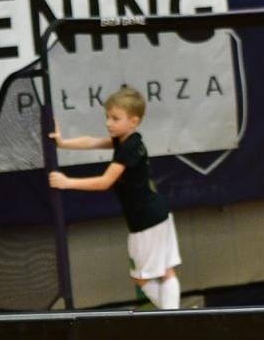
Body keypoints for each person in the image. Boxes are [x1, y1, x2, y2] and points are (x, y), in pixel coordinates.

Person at [48, 87, 183, 310]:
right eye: (107, 117)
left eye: (115, 118)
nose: (108, 123)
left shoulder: (129, 148)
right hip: (157, 215)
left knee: (142, 278)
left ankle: (175, 317)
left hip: (147, 222)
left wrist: (67, 182)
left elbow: (105, 182)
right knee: (165, 271)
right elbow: (92, 142)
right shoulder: (125, 139)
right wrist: (63, 143)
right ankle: (180, 317)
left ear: (134, 121)